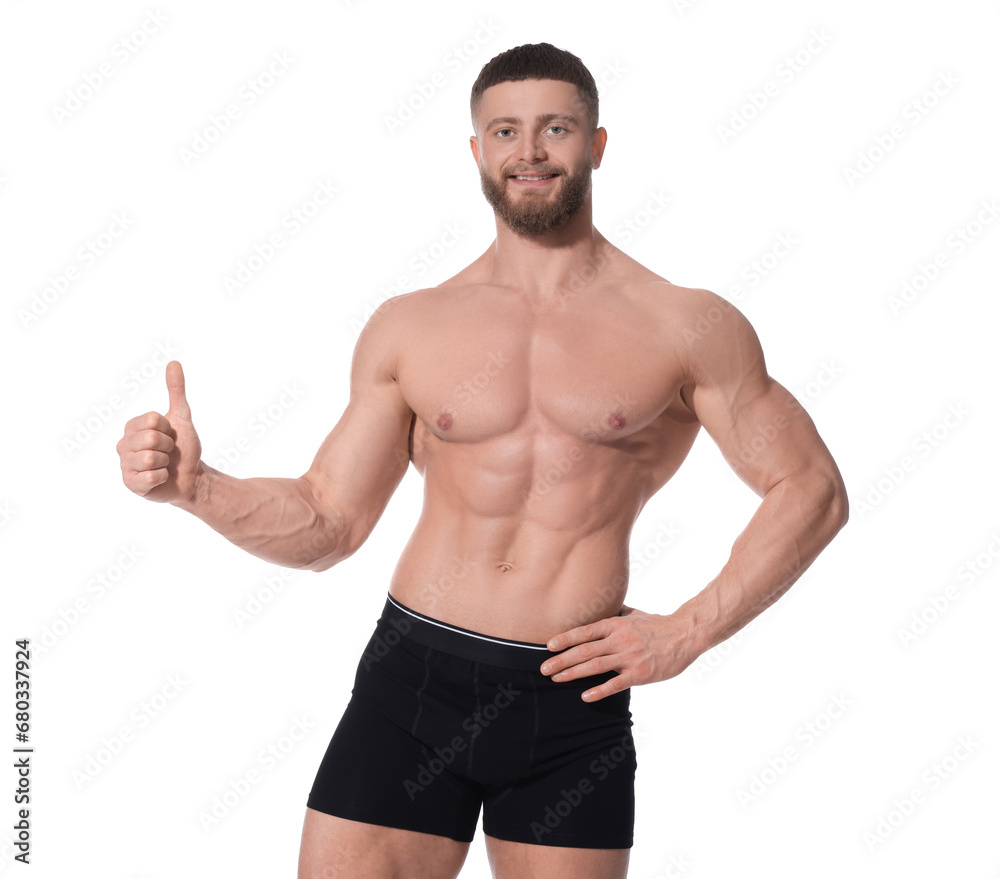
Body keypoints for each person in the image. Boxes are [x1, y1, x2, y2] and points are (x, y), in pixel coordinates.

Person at [116, 43, 849, 879]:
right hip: (410, 687)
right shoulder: (411, 325)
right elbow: (329, 521)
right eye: (505, 130)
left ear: (597, 144)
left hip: (571, 699)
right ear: (477, 152)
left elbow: (811, 488)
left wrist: (685, 631)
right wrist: (196, 489)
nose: (529, 150)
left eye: (555, 128)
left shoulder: (687, 325)